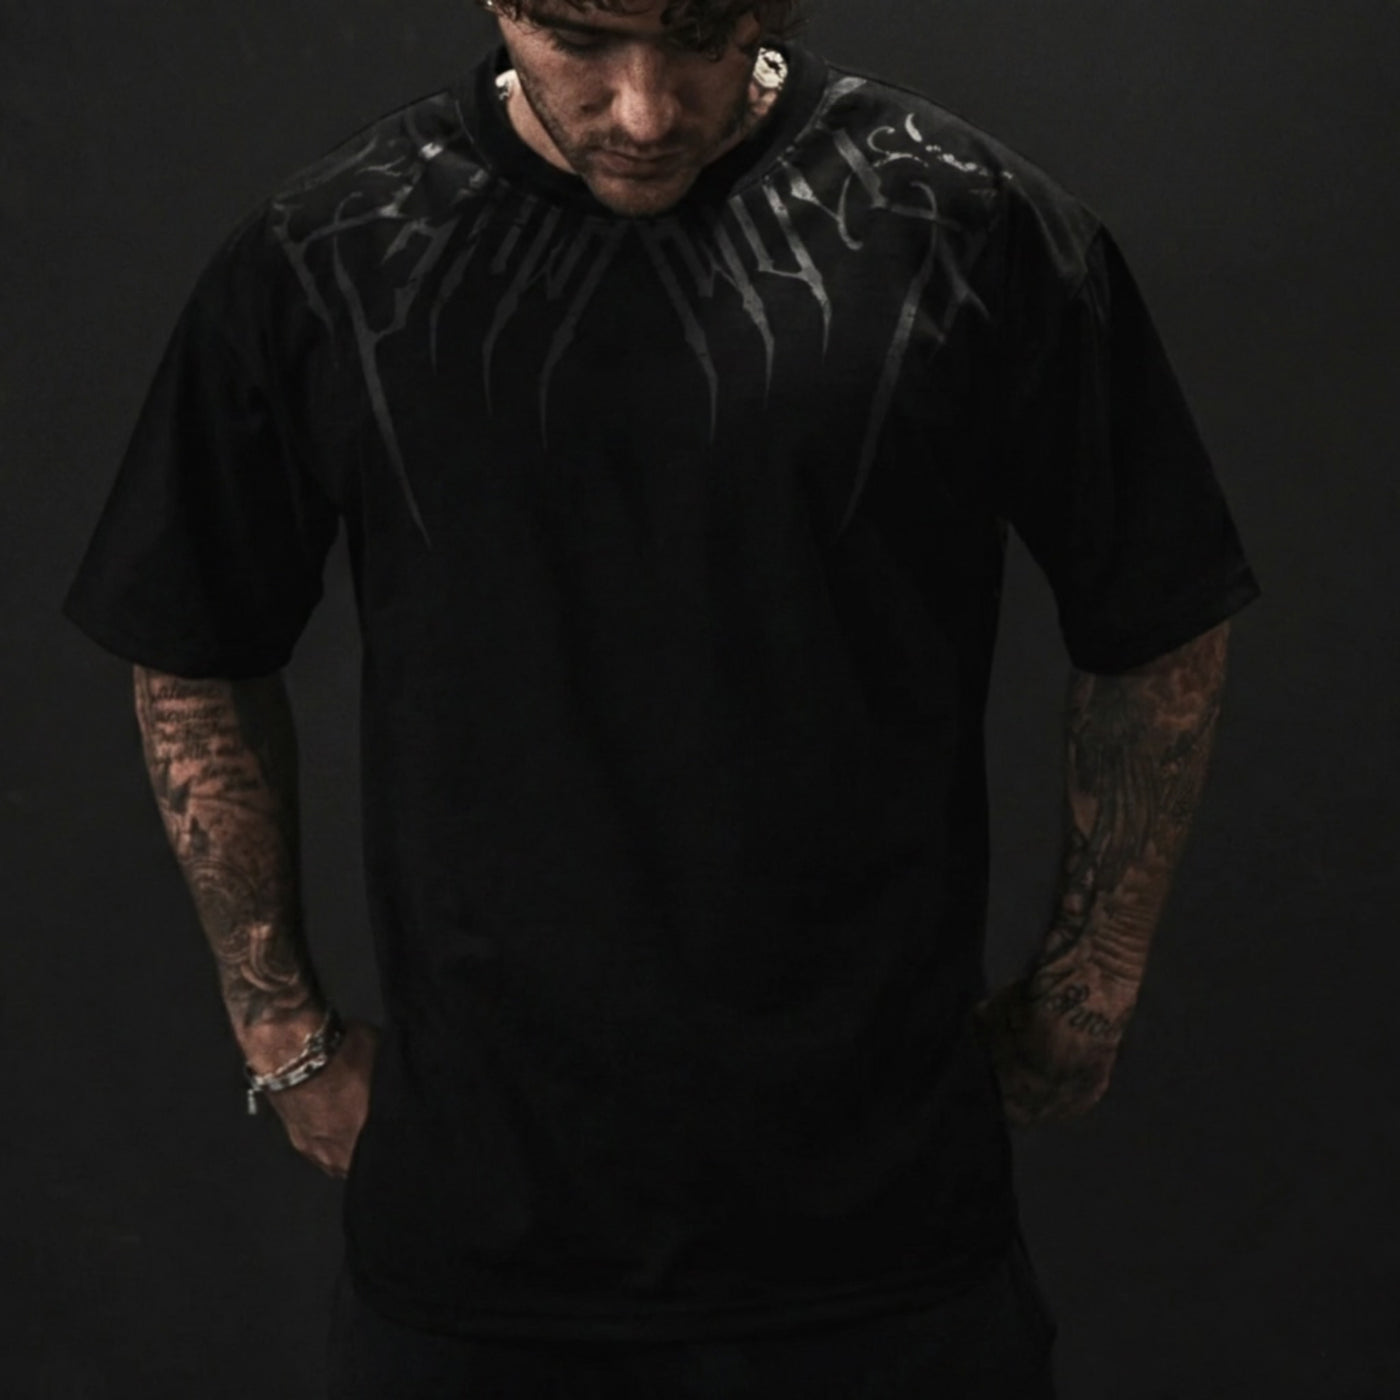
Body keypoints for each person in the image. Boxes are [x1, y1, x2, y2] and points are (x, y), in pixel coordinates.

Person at [62, 0, 1261, 1394]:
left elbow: (1159, 608)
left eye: (699, 37)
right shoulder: (330, 251)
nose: (643, 109)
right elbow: (193, 638)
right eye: (581, 39)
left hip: (884, 1232)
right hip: (481, 1241)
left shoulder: (967, 225)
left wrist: (1092, 984)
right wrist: (280, 1028)